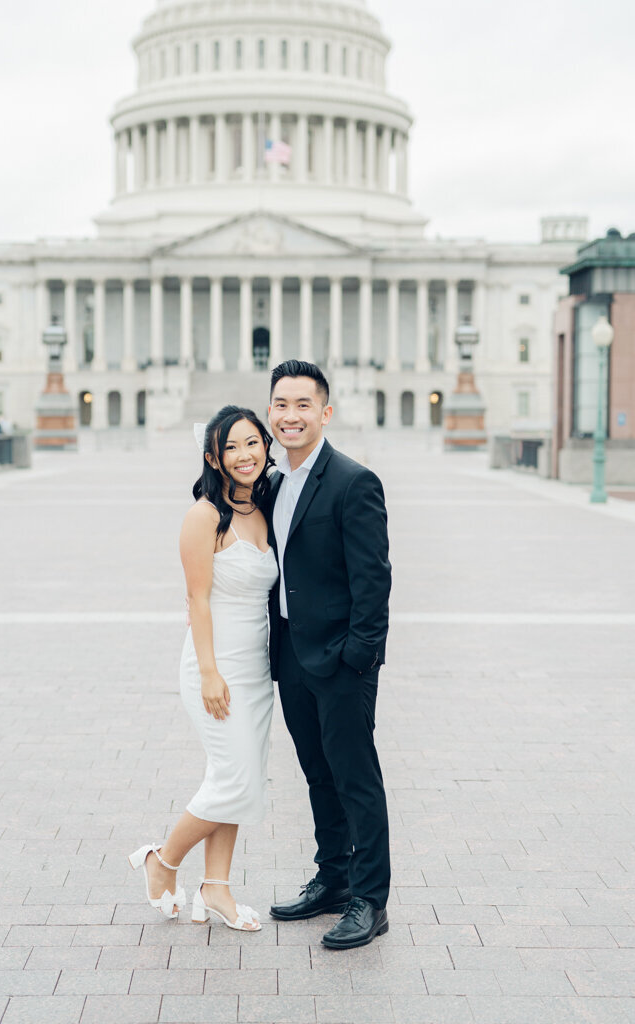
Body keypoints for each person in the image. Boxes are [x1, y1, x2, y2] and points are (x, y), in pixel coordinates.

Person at [129, 405, 278, 931]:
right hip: (213, 665)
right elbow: (197, 602)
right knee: (236, 780)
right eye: (232, 447)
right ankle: (162, 862)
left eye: (252, 443)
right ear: (213, 457)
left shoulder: (265, 508)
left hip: (256, 669)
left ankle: (216, 889)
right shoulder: (203, 515)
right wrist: (211, 673)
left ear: (265, 445)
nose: (245, 455)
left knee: (233, 779)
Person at [267, 360, 392, 949]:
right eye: (281, 405)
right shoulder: (271, 482)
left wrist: (359, 657)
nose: (291, 416)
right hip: (291, 654)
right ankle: (334, 879)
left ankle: (370, 898)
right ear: (271, 412)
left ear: (324, 412)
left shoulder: (352, 480)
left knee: (355, 778)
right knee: (317, 774)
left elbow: (374, 581)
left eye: (302, 405)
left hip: (341, 660)